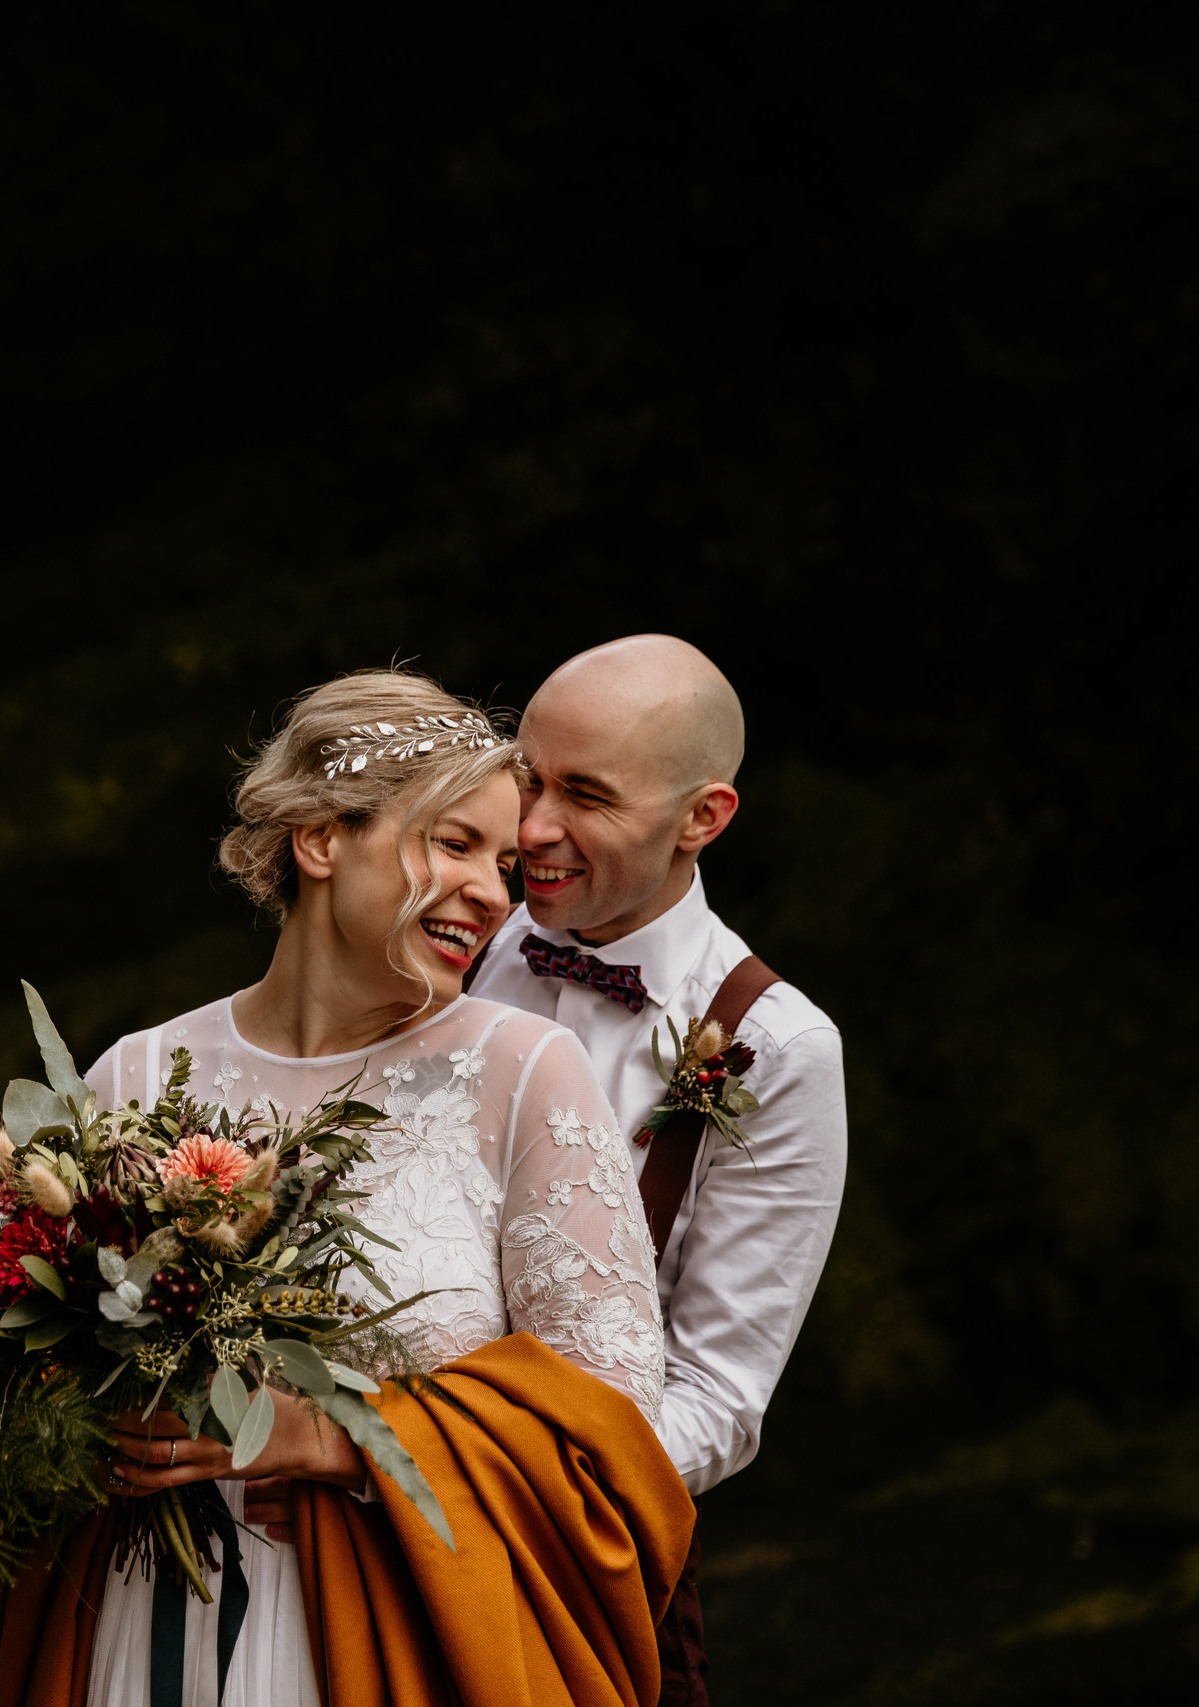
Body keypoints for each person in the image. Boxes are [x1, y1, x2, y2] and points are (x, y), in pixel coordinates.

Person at [0, 669, 694, 1707]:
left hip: (389, 1646)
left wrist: (337, 1435)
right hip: (135, 1637)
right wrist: (82, 1431)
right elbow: (1, 1396)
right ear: (319, 841)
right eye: (453, 844)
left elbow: (611, 1432)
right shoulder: (132, 1075)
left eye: (502, 862)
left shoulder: (523, 1070)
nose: (495, 893)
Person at [469, 635, 849, 1704]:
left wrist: (453, 1477)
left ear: (704, 818)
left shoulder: (771, 1045)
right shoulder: (446, 930)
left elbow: (717, 1400)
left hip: (564, 1575)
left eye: (585, 795)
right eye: (526, 779)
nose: (532, 829)